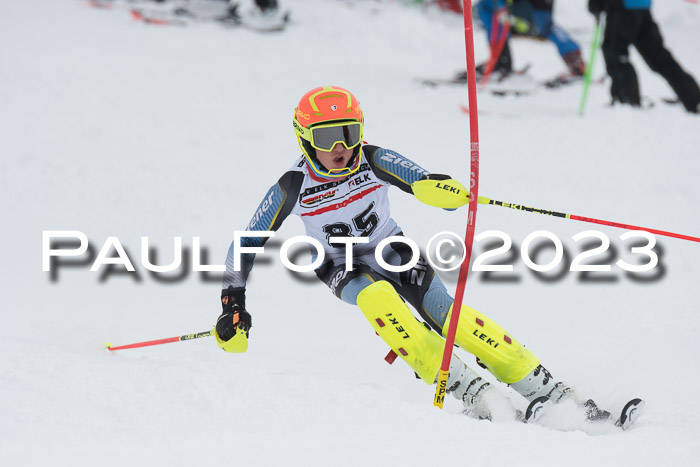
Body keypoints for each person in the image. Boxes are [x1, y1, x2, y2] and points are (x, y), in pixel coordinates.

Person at [213, 85, 612, 421]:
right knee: (378, 298)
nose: (340, 147)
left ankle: (545, 387)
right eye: (325, 138)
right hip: (339, 263)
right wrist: (233, 302)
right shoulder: (292, 186)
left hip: (391, 247)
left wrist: (441, 191)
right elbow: (245, 241)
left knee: (447, 312)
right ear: (304, 139)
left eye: (349, 133)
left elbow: (420, 179)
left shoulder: (372, 159)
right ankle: (466, 387)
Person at [588, 0, 700, 113]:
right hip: (642, 7)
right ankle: (694, 99)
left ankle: (626, 102)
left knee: (615, 54)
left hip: (622, 8)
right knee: (659, 57)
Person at [460, 0, 585, 82]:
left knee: (486, 7)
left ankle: (500, 62)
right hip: (532, 6)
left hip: (530, 6)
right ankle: (574, 58)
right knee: (546, 25)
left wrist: (501, 8)